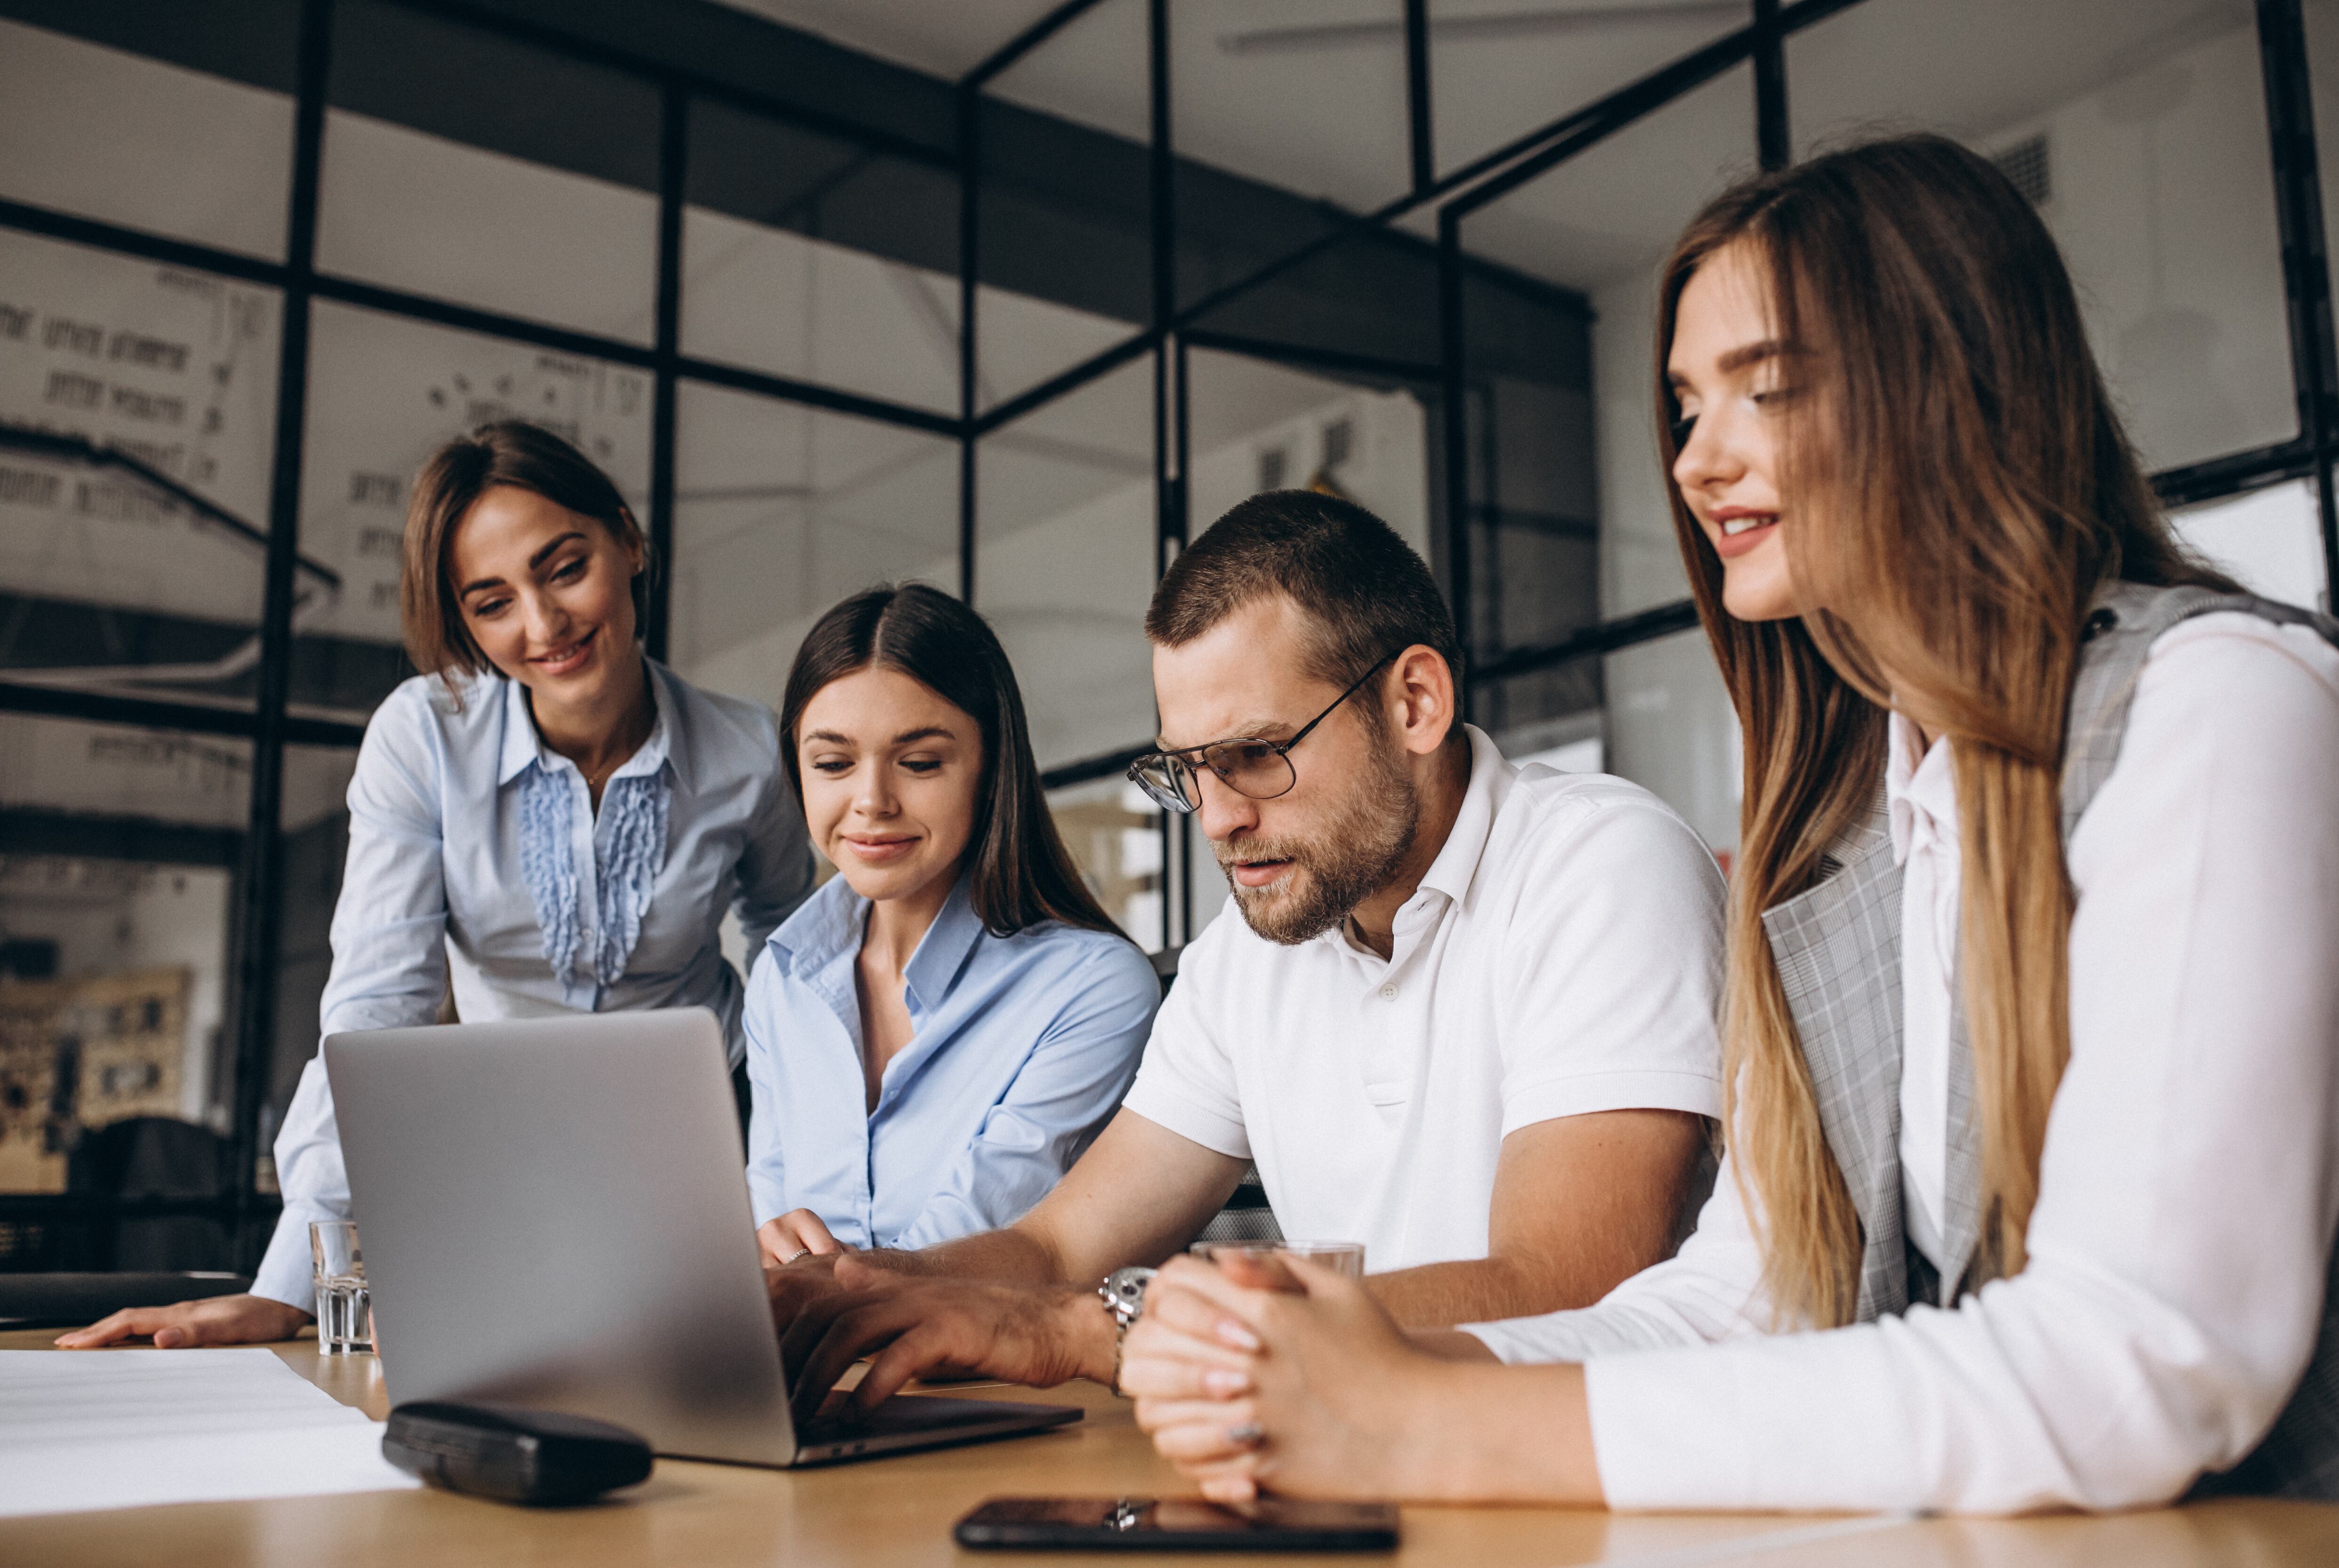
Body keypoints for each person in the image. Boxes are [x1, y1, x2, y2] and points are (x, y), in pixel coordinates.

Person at [1122, 135, 2339, 1513]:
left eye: (1763, 388)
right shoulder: (1848, 823)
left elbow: (2142, 1357)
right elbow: (1744, 1300)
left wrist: (1428, 1421)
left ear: (1947, 383)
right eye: (1685, 405)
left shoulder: (2219, 704)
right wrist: (1367, 1370)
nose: (1699, 460)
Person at [769, 488, 1728, 1421]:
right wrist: (851, 1287)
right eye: (1186, 770)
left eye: (1257, 754)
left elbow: (1562, 1282)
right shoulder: (1246, 957)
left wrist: (1110, 1328)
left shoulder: (1598, 862)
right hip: (1360, 1468)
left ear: (1416, 702)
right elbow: (1060, 1248)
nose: (1219, 819)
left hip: (1591, 1491)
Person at [61, 421, 814, 1350]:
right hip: (504, 1133)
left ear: (629, 539)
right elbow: (379, 1007)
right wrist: (294, 1281)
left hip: (706, 1122)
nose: (543, 627)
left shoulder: (749, 752)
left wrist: (785, 1190)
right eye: (492, 602)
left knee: (715, 1378)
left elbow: (798, 967)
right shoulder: (422, 737)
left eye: (565, 567)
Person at [745, 583, 1159, 1262]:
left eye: (919, 763)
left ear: (990, 770)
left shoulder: (1093, 986)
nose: (871, 801)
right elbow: (769, 1222)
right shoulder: (779, 979)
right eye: (833, 763)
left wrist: (806, 1285)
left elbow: (975, 1248)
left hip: (986, 1365)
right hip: (807, 1360)